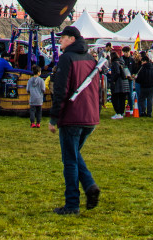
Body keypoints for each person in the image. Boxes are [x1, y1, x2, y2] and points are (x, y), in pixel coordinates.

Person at [48, 25, 101, 216]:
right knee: (74, 155)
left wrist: (54, 118)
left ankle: (72, 204)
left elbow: (60, 90)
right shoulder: (90, 59)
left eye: (62, 38)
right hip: (90, 117)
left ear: (71, 39)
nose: (60, 41)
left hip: (72, 117)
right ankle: (89, 186)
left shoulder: (66, 59)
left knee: (69, 159)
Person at [108, 51, 129, 120]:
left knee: (115, 99)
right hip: (124, 82)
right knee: (122, 99)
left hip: (118, 83)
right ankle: (121, 112)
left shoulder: (114, 63)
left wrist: (113, 80)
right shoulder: (122, 61)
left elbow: (117, 72)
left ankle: (118, 113)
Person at [135, 51, 153, 117]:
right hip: (151, 86)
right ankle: (149, 113)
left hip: (144, 86)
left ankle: (143, 112)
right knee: (150, 100)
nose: (141, 63)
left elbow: (139, 79)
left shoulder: (142, 68)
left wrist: (136, 79)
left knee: (142, 100)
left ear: (144, 61)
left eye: (142, 61)